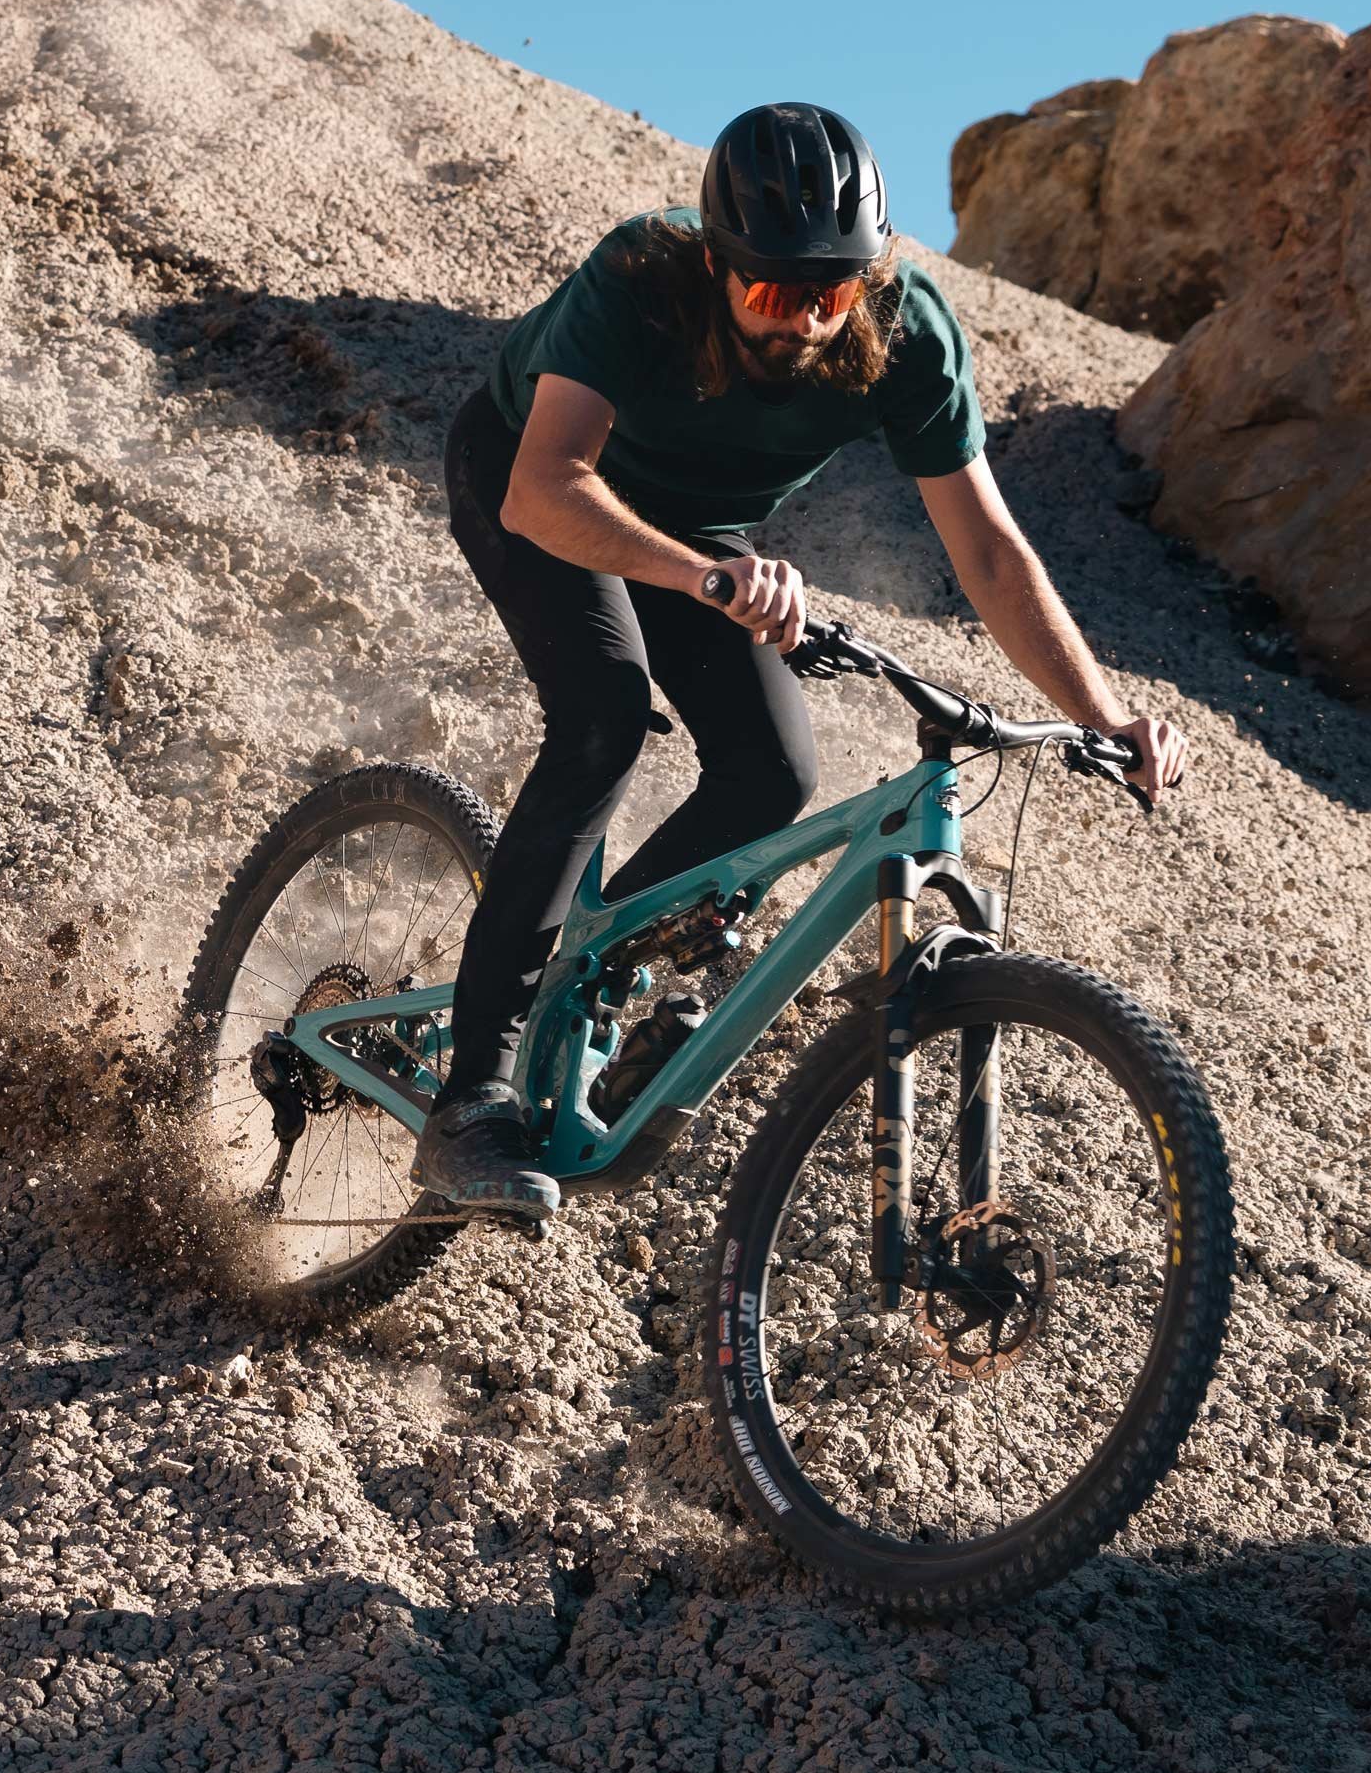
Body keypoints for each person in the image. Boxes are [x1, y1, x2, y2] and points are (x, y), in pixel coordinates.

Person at [416, 101, 1189, 1213]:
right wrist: (700, 577)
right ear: (719, 265)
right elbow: (547, 489)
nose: (804, 322)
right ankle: (471, 1098)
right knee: (603, 715)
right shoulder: (640, 277)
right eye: (775, 293)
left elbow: (985, 547)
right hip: (534, 478)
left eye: (830, 295)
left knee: (773, 773)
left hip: (694, 532)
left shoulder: (906, 329)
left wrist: (1105, 716)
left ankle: (584, 981)